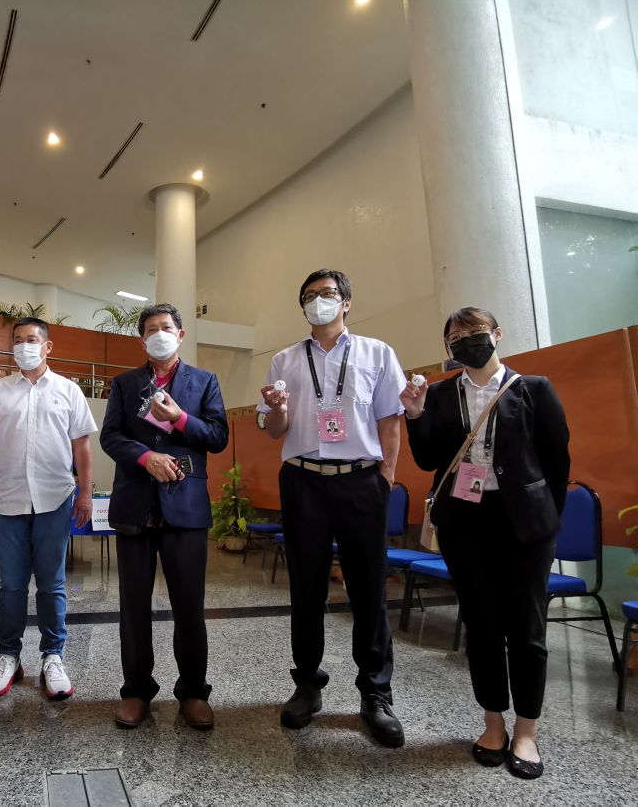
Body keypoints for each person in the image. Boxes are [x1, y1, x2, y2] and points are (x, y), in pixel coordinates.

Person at [402, 307, 569, 780]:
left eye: (474, 332)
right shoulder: (438, 393)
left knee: (527, 628)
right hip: (465, 523)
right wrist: (415, 414)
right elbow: (429, 457)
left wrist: (545, 522)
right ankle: (493, 724)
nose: (465, 340)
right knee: (481, 624)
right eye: (454, 336)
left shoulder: (534, 389)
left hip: (524, 528)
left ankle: (527, 731)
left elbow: (557, 460)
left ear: (497, 334)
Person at [257, 269, 407, 747]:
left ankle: (375, 694)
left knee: (369, 592)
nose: (318, 302)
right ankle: (307, 685)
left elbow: (390, 421)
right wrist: (277, 407)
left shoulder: (377, 353)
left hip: (362, 480)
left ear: (346, 302)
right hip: (303, 480)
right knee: (305, 589)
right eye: (309, 296)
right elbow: (273, 429)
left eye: (327, 294)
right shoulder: (284, 359)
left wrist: (386, 477)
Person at [100, 303, 229, 730]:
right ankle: (136, 691)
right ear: (142, 339)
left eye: (166, 327)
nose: (159, 333)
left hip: (185, 508)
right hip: (137, 505)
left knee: (189, 606)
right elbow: (111, 436)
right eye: (151, 329)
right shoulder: (125, 383)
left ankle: (194, 692)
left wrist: (180, 420)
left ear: (181, 334)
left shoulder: (205, 381)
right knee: (133, 606)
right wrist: (146, 456)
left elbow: (217, 437)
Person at [0, 317, 96, 700]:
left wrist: (85, 493)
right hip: (9, 499)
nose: (24, 345)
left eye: (31, 339)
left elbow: (82, 447)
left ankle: (53, 656)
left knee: (52, 584)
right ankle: (9, 657)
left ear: (48, 346)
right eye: (17, 340)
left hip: (55, 498)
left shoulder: (69, 391)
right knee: (12, 585)